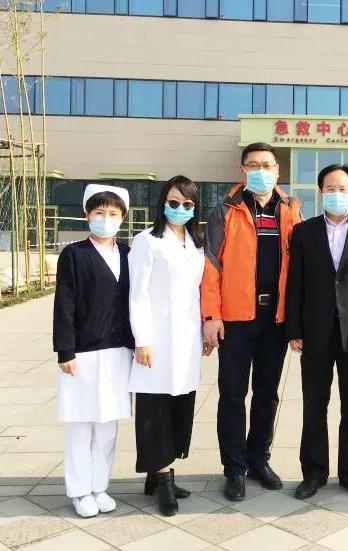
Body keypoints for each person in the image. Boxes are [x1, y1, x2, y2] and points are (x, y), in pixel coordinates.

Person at [201, 142, 303, 501]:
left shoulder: (291, 210)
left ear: (278, 171)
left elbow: (300, 268)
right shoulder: (226, 210)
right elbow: (211, 265)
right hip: (235, 320)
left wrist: (297, 321)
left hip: (275, 319)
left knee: (267, 394)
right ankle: (234, 468)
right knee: (232, 395)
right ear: (242, 170)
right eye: (253, 165)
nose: (260, 171)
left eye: (267, 165)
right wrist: (211, 316)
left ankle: (259, 459)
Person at [286, 164, 348, 501]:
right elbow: (295, 282)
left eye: (343, 189)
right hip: (314, 332)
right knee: (314, 405)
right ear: (321, 193)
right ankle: (313, 473)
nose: (336, 194)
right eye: (330, 189)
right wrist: (294, 328)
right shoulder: (304, 232)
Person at [53, 184, 134, 518]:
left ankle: (99, 486)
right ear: (88, 215)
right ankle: (79, 490)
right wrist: (65, 350)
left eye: (113, 213)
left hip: (118, 352)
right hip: (83, 353)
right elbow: (65, 303)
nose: (106, 218)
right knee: (80, 423)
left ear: (122, 218)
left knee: (107, 426)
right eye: (99, 212)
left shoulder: (128, 254)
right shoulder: (75, 254)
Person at [129, 176, 207, 516]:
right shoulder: (147, 241)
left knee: (180, 405)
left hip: (187, 338)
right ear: (162, 203)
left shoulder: (196, 242)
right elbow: (137, 294)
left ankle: (156, 473)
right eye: (174, 203)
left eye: (187, 204)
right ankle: (163, 480)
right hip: (157, 339)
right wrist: (142, 339)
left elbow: (198, 293)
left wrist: (204, 332)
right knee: (155, 409)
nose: (180, 209)